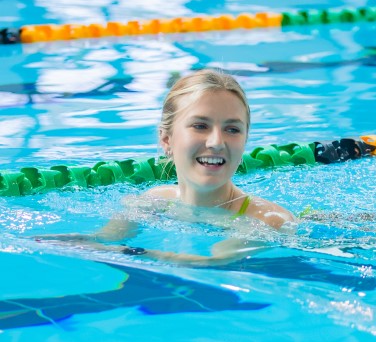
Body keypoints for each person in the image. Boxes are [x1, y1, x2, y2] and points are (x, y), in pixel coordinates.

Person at [38, 69, 295, 265]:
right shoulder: (154, 202)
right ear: (166, 139)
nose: (217, 142)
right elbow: (103, 240)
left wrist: (124, 252)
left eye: (232, 129)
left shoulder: (266, 220)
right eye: (200, 126)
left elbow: (210, 264)